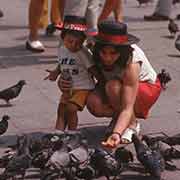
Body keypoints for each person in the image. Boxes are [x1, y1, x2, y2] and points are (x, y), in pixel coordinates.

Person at [58, 20, 169, 148]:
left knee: (112, 86)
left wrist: (116, 133)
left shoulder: (132, 62)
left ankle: (132, 125)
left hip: (146, 88)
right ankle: (118, 119)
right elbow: (80, 77)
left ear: (122, 51)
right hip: (114, 86)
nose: (107, 58)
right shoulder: (93, 52)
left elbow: (127, 107)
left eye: (113, 53)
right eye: (104, 52)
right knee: (94, 102)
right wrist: (62, 82)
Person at [44, 16, 103, 131]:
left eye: (79, 43)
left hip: (83, 88)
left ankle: (72, 133)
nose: (74, 46)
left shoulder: (83, 53)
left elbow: (92, 69)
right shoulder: (62, 49)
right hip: (69, 88)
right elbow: (62, 63)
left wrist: (102, 82)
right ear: (63, 37)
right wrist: (55, 73)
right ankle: (58, 133)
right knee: (61, 109)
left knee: (71, 108)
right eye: (70, 41)